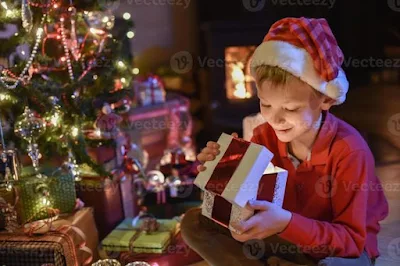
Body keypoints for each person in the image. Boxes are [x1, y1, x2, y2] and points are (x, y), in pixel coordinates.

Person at [180, 17, 389, 266]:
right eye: (266, 104)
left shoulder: (349, 151)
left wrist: (287, 222)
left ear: (325, 100)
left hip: (338, 250)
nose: (275, 118)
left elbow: (351, 242)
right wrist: (223, 174)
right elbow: (250, 203)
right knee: (194, 223)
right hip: (284, 238)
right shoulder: (263, 136)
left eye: (290, 108)